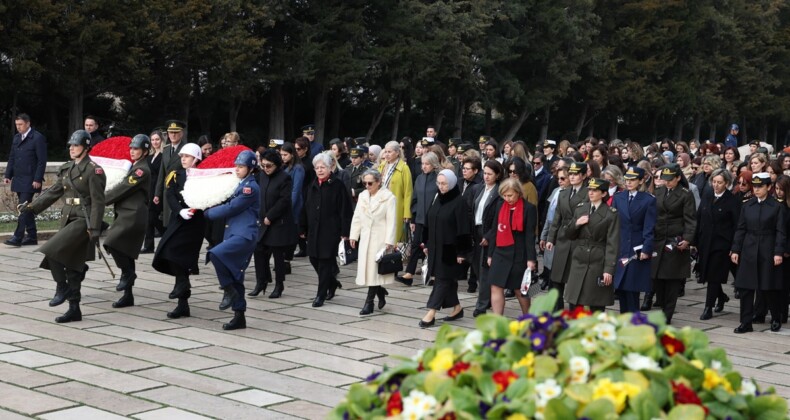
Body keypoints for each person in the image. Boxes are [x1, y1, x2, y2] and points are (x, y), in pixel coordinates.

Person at [20, 130, 105, 323]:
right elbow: (54, 192)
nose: (72, 149)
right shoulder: (67, 169)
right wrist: (32, 208)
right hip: (68, 218)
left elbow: (99, 202)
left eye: (75, 145)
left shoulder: (94, 170)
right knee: (73, 265)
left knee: (52, 250)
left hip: (84, 220)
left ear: (85, 147)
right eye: (70, 146)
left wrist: (95, 228)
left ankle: (62, 287)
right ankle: (74, 309)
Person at [204, 150, 261, 330]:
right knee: (237, 275)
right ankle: (239, 316)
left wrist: (208, 212)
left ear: (251, 168)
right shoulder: (240, 183)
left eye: (241, 166)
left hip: (244, 234)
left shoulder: (250, 187)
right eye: (236, 165)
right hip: (235, 233)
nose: (237, 169)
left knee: (215, 254)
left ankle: (228, 289)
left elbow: (232, 207)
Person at [152, 143, 206, 319]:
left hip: (195, 222)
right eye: (182, 156)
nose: (183, 159)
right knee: (167, 251)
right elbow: (170, 195)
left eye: (187, 157)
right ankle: (183, 299)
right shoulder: (176, 175)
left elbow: (210, 195)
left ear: (196, 158)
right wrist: (179, 210)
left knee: (181, 256)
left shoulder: (204, 176)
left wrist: (196, 208)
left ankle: (182, 289)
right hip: (180, 218)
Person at [731, 172, 786, 333]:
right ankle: (746, 322)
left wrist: (778, 252)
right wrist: (735, 249)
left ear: (769, 187)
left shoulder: (777, 206)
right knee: (745, 287)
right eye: (754, 186)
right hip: (749, 249)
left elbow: (781, 232)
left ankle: (775, 317)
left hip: (768, 249)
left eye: (760, 186)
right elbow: (740, 229)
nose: (756, 189)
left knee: (768, 287)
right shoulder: (747, 205)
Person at [103, 134, 152, 308]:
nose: (132, 151)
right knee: (127, 252)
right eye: (131, 148)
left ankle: (128, 274)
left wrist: (101, 200)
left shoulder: (141, 170)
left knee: (112, 242)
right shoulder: (134, 166)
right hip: (126, 213)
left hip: (133, 215)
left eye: (136, 149)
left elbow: (123, 188)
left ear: (145, 151)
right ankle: (128, 295)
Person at [418, 169, 472, 328]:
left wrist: (462, 251)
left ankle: (431, 312)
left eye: (444, 184)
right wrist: (426, 243)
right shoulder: (438, 198)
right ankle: (457, 308)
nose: (441, 187)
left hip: (451, 250)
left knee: (441, 280)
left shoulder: (459, 202)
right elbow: (429, 220)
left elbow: (463, 228)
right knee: (447, 281)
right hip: (436, 247)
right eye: (439, 183)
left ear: (452, 183)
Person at [301, 153, 353, 307]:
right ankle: (332, 283)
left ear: (330, 167)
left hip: (330, 231)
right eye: (317, 168)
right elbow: (306, 207)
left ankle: (320, 294)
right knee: (313, 258)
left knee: (325, 261)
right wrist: (302, 227)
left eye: (322, 167)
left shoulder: (337, 185)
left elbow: (345, 210)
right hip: (314, 230)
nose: (319, 170)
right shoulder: (313, 185)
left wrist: (345, 232)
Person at [650, 163, 696, 324]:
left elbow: (690, 219)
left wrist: (688, 239)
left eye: (670, 179)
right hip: (658, 239)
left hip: (675, 240)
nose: (667, 182)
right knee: (657, 278)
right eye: (665, 179)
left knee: (672, 280)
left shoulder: (685, 194)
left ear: (678, 178)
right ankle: (661, 306)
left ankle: (667, 314)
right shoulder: (659, 191)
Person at [564, 178, 620, 311]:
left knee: (596, 303)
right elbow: (569, 234)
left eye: (595, 190)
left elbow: (613, 243)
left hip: (597, 260)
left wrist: (608, 270)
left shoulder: (611, 214)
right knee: (574, 300)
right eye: (590, 189)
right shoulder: (581, 208)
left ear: (604, 193)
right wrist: (577, 224)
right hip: (580, 258)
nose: (591, 192)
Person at [349, 169, 397, 315]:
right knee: (370, 271)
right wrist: (353, 235)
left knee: (375, 270)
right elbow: (357, 216)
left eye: (370, 183)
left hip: (380, 238)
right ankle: (380, 292)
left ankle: (368, 303)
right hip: (365, 237)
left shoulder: (388, 197)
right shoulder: (363, 195)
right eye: (365, 183)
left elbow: (392, 220)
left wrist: (389, 240)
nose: (367, 186)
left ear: (378, 182)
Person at [487, 179, 538, 315]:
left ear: (518, 193)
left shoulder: (529, 208)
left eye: (510, 195)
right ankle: (497, 320)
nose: (507, 198)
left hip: (519, 254)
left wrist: (531, 259)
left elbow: (530, 236)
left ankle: (528, 317)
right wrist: (490, 254)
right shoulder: (500, 206)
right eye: (504, 195)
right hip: (500, 252)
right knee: (496, 286)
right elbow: (494, 231)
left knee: (520, 289)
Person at [695, 168, 740, 320]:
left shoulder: (732, 200)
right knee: (707, 274)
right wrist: (694, 241)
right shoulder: (707, 196)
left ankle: (708, 307)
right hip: (705, 242)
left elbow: (736, 226)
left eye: (720, 183)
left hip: (722, 244)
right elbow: (699, 218)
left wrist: (735, 247)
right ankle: (721, 297)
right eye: (714, 182)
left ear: (726, 183)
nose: (716, 185)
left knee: (714, 276)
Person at [251, 149, 296, 299]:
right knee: (258, 251)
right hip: (262, 220)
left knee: (277, 255)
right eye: (263, 165)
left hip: (278, 222)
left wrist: (271, 216)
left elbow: (284, 200)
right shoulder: (262, 176)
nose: (266, 169)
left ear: (277, 164)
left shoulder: (285, 178)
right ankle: (260, 282)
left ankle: (279, 285)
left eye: (269, 166)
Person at [611, 167, 656, 313]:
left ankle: (634, 321)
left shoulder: (648, 200)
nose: (629, 182)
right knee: (621, 287)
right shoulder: (618, 197)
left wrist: (646, 248)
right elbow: (613, 224)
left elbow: (649, 227)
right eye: (627, 179)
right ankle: (625, 320)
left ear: (641, 180)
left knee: (632, 288)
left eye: (633, 179)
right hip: (621, 245)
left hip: (637, 247)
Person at [546, 161, 589, 311]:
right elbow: (557, 217)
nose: (572, 176)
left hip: (578, 239)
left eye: (576, 174)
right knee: (556, 278)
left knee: (574, 281)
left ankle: (574, 312)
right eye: (570, 173)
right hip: (562, 239)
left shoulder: (588, 193)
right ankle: (557, 311)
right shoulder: (564, 193)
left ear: (584, 175)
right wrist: (550, 238)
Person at [396, 152, 440, 286]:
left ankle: (434, 275)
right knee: (415, 245)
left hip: (434, 219)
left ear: (434, 165)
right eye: (423, 164)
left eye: (427, 164)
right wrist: (413, 219)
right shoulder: (419, 179)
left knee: (433, 246)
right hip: (420, 218)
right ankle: (409, 273)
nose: (424, 166)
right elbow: (415, 200)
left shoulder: (439, 178)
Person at [4, 113, 47, 247]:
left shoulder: (37, 138)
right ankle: (32, 236)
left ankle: (18, 237)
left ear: (28, 124)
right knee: (26, 208)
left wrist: (37, 178)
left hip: (31, 179)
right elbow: (12, 157)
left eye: (20, 124)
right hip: (19, 178)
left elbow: (42, 161)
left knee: (23, 208)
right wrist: (7, 175)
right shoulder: (17, 138)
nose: (18, 127)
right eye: (17, 125)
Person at [471, 160, 505, 317]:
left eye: (490, 174)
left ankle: (482, 305)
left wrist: (489, 236)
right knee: (477, 268)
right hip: (476, 230)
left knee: (485, 269)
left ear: (497, 175)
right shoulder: (478, 188)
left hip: (489, 232)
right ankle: (487, 299)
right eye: (484, 173)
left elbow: (499, 218)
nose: (486, 176)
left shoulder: (499, 193)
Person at [539, 166, 570, 291]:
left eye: (563, 178)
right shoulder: (556, 191)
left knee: (558, 272)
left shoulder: (570, 194)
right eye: (558, 178)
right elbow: (549, 216)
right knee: (549, 267)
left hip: (562, 236)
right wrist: (543, 236)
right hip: (551, 232)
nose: (560, 181)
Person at [154, 120, 188, 229]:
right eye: (171, 132)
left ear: (181, 133)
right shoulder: (166, 149)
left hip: (180, 189)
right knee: (168, 221)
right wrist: (157, 193)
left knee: (178, 221)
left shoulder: (186, 148)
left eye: (176, 132)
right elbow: (162, 172)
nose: (173, 135)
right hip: (167, 189)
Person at [377, 141, 413, 244]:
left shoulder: (404, 168)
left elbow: (408, 192)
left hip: (396, 206)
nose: (386, 154)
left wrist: (407, 213)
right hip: (381, 204)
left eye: (389, 152)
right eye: (385, 152)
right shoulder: (382, 166)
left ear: (397, 153)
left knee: (394, 237)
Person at [142, 130, 165, 253]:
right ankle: (149, 245)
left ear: (161, 140)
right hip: (148, 189)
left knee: (153, 218)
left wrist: (159, 192)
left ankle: (166, 236)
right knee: (149, 218)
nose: (155, 142)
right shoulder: (149, 156)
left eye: (157, 139)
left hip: (158, 189)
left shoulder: (164, 155)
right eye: (153, 140)